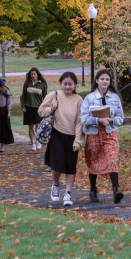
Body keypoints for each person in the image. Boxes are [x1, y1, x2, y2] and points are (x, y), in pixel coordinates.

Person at [38, 72, 84, 207]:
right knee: (57, 163)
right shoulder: (54, 95)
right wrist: (52, 108)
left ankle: (68, 193)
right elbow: (41, 111)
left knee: (71, 166)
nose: (68, 87)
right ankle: (56, 185)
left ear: (75, 84)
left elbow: (79, 122)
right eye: (65, 84)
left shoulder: (79, 100)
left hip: (72, 136)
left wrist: (78, 141)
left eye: (70, 84)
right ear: (61, 83)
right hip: (57, 133)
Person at [80, 69, 126, 204]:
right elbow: (84, 118)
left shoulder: (115, 98)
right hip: (94, 133)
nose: (104, 81)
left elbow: (120, 117)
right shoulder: (89, 98)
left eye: (107, 79)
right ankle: (93, 189)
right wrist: (98, 120)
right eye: (102, 79)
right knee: (93, 160)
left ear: (110, 82)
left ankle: (116, 190)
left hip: (110, 132)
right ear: (97, 81)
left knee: (112, 159)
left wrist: (112, 120)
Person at [22, 68, 48, 149]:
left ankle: (38, 140)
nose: (33, 76)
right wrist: (23, 106)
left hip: (38, 108)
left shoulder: (42, 84)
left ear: (37, 74)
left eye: (34, 74)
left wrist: (45, 107)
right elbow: (23, 95)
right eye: (31, 74)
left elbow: (45, 97)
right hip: (28, 107)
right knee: (30, 126)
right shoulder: (27, 83)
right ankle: (33, 144)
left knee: (38, 125)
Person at [0, 77, 15, 153]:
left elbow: (8, 102)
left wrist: (8, 112)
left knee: (3, 129)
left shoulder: (5, 91)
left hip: (4, 111)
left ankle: (2, 147)